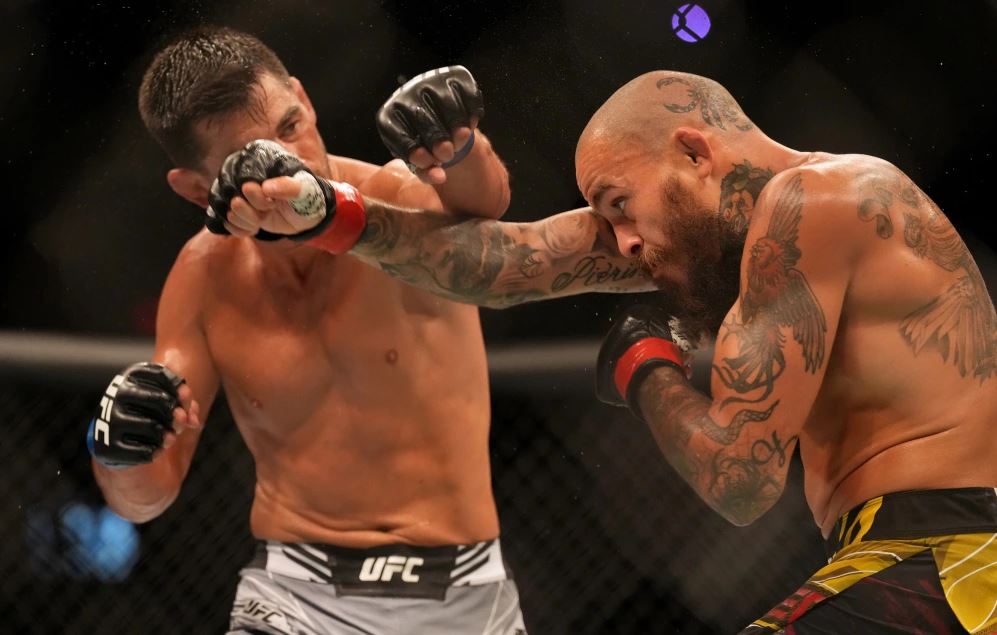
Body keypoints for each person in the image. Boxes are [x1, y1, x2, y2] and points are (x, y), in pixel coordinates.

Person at [217, 70, 997, 633]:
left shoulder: (819, 202)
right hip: (907, 555)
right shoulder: (714, 236)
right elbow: (503, 262)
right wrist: (322, 211)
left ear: (693, 153)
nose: (621, 241)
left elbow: (739, 476)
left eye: (619, 204)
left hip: (957, 554)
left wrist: (642, 362)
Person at [86, 27, 652, 635]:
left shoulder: (392, 198)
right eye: (248, 161)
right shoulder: (203, 277)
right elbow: (144, 497)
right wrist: (118, 448)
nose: (290, 162)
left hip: (463, 593)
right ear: (199, 190)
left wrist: (459, 145)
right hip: (294, 597)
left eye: (289, 126)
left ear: (305, 99)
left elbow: (481, 209)